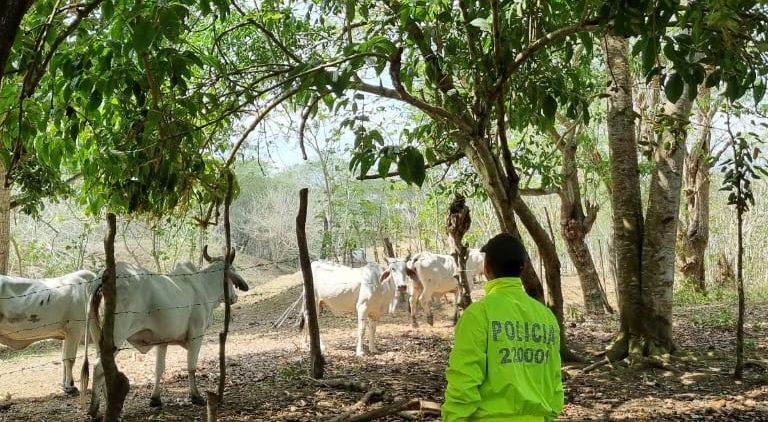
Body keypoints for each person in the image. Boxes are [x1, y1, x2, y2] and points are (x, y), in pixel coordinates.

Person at [442, 233, 564, 421]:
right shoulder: (546, 317)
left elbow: (464, 379)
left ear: (487, 268)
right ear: (522, 268)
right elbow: (554, 379)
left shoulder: (478, 314)